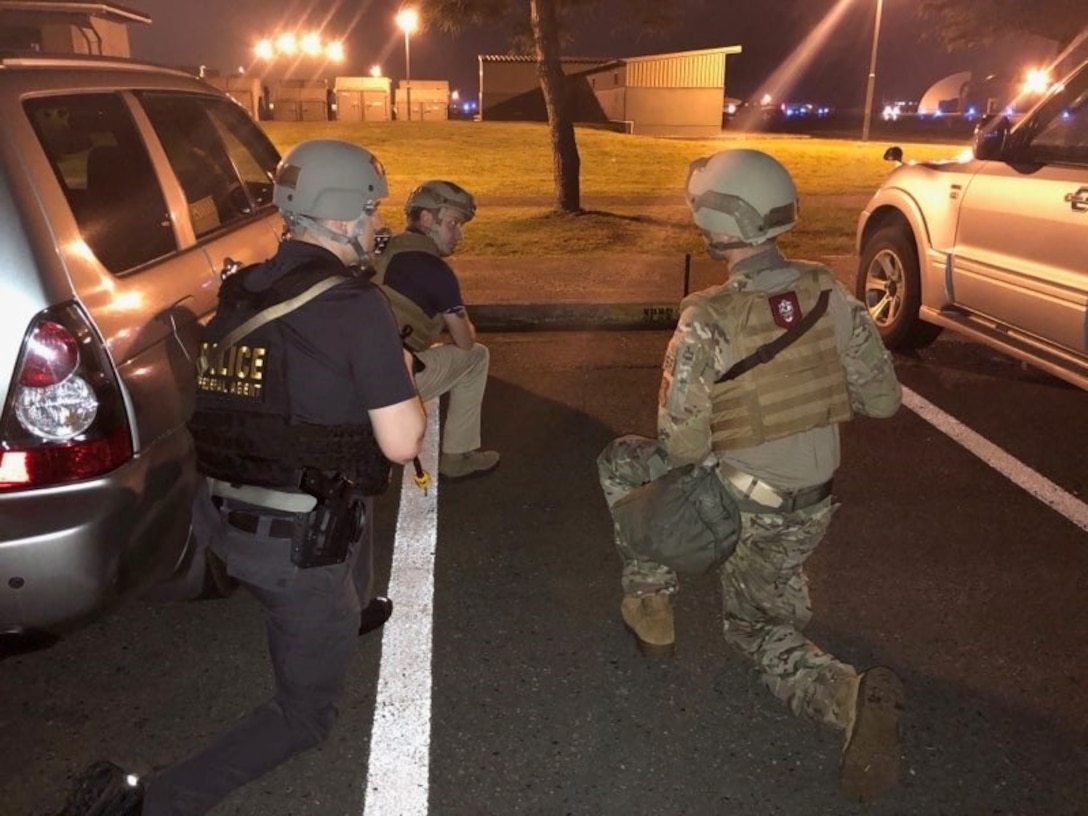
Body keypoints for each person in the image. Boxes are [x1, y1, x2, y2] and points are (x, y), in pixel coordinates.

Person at [596, 148, 905, 802]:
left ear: (715, 221)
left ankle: (652, 601)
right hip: (811, 511)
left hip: (739, 503)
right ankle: (846, 691)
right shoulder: (830, 292)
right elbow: (883, 401)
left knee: (625, 461)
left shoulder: (706, 317)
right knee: (772, 610)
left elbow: (680, 447)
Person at [133, 138, 425, 815]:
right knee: (304, 719)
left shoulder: (242, 288)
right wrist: (402, 382)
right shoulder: (355, 306)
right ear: (345, 219)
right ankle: (158, 801)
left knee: (350, 471)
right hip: (297, 553)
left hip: (220, 519)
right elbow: (403, 441)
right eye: (374, 210)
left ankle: (346, 615)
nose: (381, 224)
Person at [371, 179, 499, 480]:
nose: (459, 235)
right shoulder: (436, 271)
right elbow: (465, 341)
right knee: (477, 357)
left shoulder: (378, 249)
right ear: (427, 219)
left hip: (348, 375)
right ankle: (457, 457)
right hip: (387, 382)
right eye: (453, 223)